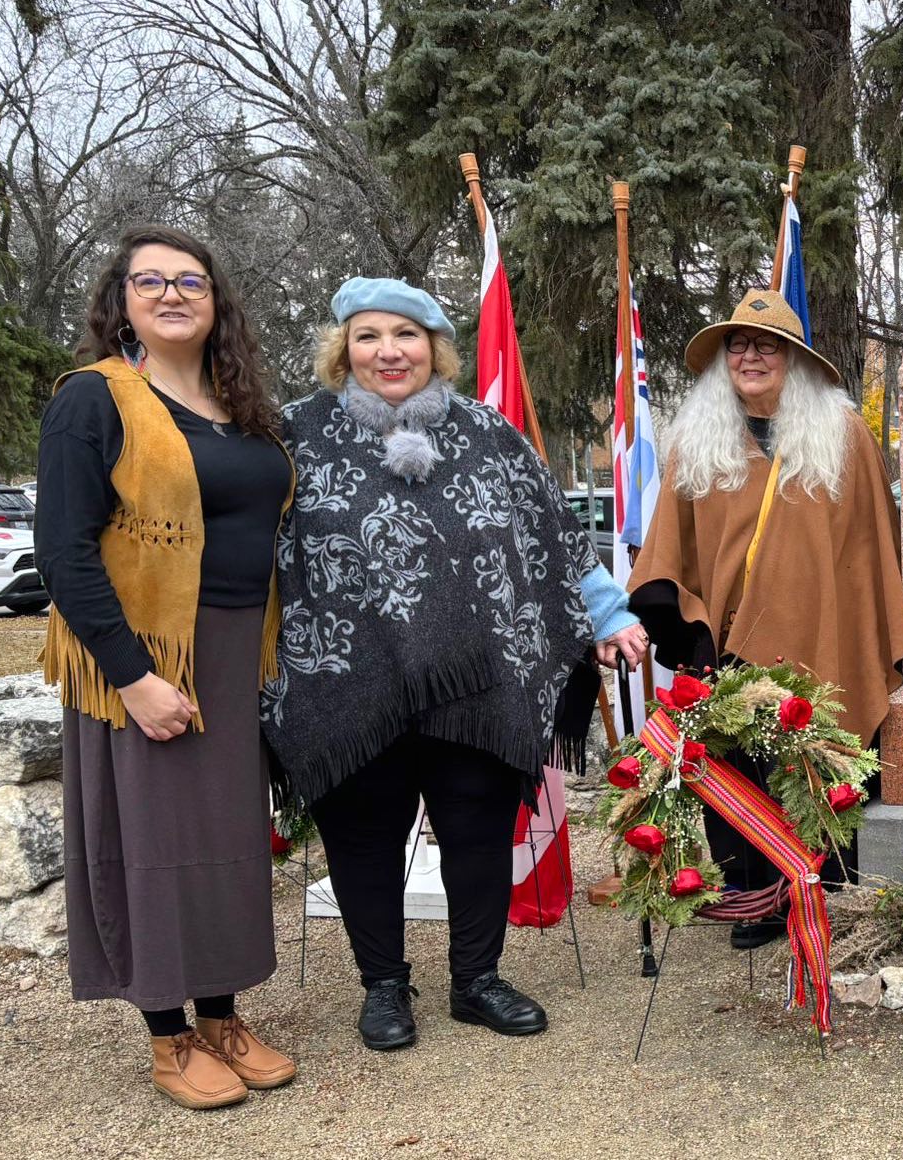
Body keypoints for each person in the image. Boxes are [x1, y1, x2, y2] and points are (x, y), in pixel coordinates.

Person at [264, 278, 647, 1053]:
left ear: (433, 348)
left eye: (404, 336)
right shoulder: (292, 436)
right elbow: (250, 546)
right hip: (344, 675)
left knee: (476, 828)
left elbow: (548, 534)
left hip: (477, 677)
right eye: (368, 336)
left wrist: (606, 616)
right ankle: (383, 986)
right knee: (362, 835)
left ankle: (476, 979)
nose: (388, 352)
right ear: (344, 348)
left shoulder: (485, 431)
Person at [36, 226, 297, 1109]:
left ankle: (222, 1014)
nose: (173, 293)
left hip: (230, 647)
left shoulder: (242, 406)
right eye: (151, 281)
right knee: (150, 844)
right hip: (143, 652)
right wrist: (134, 677)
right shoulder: (95, 400)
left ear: (217, 299)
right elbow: (63, 553)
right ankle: (168, 1033)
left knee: (224, 842)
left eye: (191, 280)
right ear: (123, 300)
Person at [628, 289, 903, 950]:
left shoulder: (844, 437)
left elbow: (872, 546)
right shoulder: (696, 441)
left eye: (767, 345)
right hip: (730, 642)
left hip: (826, 636)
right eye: (738, 344)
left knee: (825, 763)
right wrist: (686, 627)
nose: (751, 355)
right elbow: (673, 545)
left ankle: (827, 892)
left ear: (794, 359)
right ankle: (756, 896)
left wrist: (867, 632)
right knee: (742, 771)